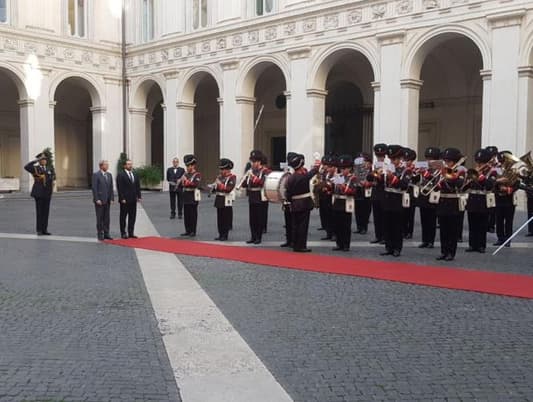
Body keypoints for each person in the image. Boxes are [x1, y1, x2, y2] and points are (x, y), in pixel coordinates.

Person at [285, 153, 320, 252]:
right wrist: (317, 164)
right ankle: (301, 246)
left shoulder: (291, 177)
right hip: (304, 203)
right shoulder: (302, 177)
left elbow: (288, 193)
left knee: (295, 225)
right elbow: (313, 172)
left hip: (294, 204)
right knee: (302, 226)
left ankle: (295, 244)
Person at [463, 148, 496, 253]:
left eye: (481, 162)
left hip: (483, 200)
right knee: (472, 224)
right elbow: (464, 187)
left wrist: (482, 178)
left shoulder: (492, 171)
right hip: (472, 200)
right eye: (477, 161)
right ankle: (472, 245)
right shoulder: (473, 170)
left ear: (486, 162)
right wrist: (468, 180)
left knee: (482, 225)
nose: (479, 164)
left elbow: (491, 185)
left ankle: (481, 245)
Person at [381, 145, 411, 258]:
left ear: (400, 158)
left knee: (397, 226)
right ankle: (389, 247)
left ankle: (397, 248)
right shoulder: (387, 167)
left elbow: (404, 185)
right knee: (387, 225)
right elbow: (380, 183)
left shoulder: (406, 170)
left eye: (394, 159)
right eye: (391, 159)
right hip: (387, 198)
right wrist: (379, 176)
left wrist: (392, 177)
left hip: (398, 199)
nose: (392, 161)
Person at [436, 148, 465, 261]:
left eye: (449, 161)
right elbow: (438, 186)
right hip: (443, 202)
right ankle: (443, 251)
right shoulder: (443, 170)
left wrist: (449, 177)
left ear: (455, 161)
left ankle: (451, 253)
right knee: (443, 230)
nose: (447, 163)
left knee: (452, 230)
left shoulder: (460, 171)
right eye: (446, 161)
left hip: (453, 203)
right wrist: (439, 180)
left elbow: (459, 184)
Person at [415, 147, 441, 249]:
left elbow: (436, 181)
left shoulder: (439, 169)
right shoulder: (424, 168)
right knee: (424, 219)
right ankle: (424, 240)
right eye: (428, 158)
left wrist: (426, 174)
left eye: (432, 158)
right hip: (423, 195)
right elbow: (416, 180)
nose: (429, 161)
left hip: (432, 195)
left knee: (431, 219)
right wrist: (416, 173)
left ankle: (431, 241)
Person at [241, 150, 269, 244]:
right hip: (252, 196)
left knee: (259, 218)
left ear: (259, 162)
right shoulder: (251, 171)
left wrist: (255, 179)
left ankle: (258, 237)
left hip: (260, 196)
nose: (252, 163)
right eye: (252, 161)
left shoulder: (265, 171)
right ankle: (253, 236)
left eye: (254, 161)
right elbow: (245, 184)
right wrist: (244, 180)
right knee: (252, 218)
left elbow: (264, 183)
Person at [24, 152, 56, 236]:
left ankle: (45, 229)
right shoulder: (35, 168)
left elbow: (52, 179)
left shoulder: (49, 169)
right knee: (39, 211)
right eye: (42, 159)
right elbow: (26, 167)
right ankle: (39, 230)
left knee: (46, 212)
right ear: (39, 161)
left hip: (47, 193)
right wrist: (36, 160)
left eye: (45, 159)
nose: (44, 161)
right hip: (39, 193)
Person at [331, 155, 357, 252]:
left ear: (349, 168)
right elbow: (334, 190)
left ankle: (346, 244)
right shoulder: (339, 177)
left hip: (346, 203)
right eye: (341, 168)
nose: (342, 171)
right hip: (337, 202)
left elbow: (353, 191)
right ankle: (339, 243)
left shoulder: (352, 178)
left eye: (344, 168)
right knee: (337, 225)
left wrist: (342, 186)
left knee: (346, 225)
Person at [493, 151, 519, 247]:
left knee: (508, 221)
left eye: (505, 161)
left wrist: (508, 189)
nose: (503, 163)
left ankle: (508, 239)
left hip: (509, 199)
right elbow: (491, 183)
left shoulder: (514, 171)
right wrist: (498, 184)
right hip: (498, 198)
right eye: (503, 161)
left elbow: (517, 184)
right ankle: (500, 238)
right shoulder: (496, 170)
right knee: (498, 220)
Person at [116, 159, 142, 239]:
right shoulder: (121, 175)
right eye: (128, 164)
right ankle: (123, 233)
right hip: (125, 200)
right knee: (123, 217)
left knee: (132, 216)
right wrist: (122, 198)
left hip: (133, 199)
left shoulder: (135, 174)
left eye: (131, 164)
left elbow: (137, 186)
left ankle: (131, 232)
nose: (130, 166)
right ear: (124, 166)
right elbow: (120, 188)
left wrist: (139, 196)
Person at [212, 158, 236, 241]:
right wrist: (214, 186)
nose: (221, 171)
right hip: (219, 199)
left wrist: (219, 185)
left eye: (223, 169)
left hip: (226, 199)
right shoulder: (220, 177)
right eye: (221, 169)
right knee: (220, 218)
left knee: (225, 218)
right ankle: (220, 234)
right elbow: (216, 189)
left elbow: (229, 188)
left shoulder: (232, 177)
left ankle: (225, 235)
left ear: (227, 169)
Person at [91, 160, 114, 241]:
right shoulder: (96, 175)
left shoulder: (109, 175)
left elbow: (111, 188)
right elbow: (94, 188)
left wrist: (111, 198)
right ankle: (100, 234)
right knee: (100, 218)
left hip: (107, 200)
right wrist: (97, 199)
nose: (107, 166)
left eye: (107, 165)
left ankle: (107, 233)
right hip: (100, 200)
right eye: (105, 165)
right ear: (101, 166)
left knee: (107, 218)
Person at [369, 143, 388, 244]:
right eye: (378, 156)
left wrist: (380, 175)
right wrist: (373, 173)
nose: (379, 158)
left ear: (384, 156)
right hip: (375, 193)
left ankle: (385, 237)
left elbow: (384, 181)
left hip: (384, 193)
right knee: (376, 216)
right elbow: (369, 178)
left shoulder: (388, 166)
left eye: (381, 156)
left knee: (384, 216)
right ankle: (378, 236)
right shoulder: (374, 166)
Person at [181, 154, 202, 237]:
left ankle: (193, 231)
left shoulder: (197, 175)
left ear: (193, 166)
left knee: (193, 214)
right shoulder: (186, 174)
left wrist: (186, 181)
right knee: (186, 214)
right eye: (187, 166)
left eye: (189, 166)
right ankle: (187, 230)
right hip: (186, 195)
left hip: (193, 196)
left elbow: (195, 184)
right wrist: (181, 182)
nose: (187, 168)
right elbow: (183, 185)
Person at [317, 155, 337, 241]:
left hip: (333, 198)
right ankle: (328, 233)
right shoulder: (326, 174)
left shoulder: (337, 175)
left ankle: (334, 234)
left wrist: (329, 187)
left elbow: (338, 187)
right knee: (327, 216)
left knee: (334, 217)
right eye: (328, 167)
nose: (328, 169)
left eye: (330, 167)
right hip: (326, 198)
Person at [353, 152, 372, 235]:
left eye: (364, 161)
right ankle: (359, 227)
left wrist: (367, 183)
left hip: (366, 191)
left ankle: (364, 227)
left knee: (365, 210)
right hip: (358, 190)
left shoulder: (371, 171)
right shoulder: (357, 169)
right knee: (358, 210)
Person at [401, 148, 417, 240]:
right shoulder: (402, 169)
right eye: (405, 160)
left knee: (411, 214)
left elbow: (417, 180)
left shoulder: (415, 169)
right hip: (403, 192)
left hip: (411, 193)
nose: (407, 162)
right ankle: (403, 230)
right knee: (403, 213)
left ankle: (409, 232)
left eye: (408, 160)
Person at [485, 145, 499, 233]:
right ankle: (485, 224)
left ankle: (491, 225)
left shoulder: (498, 165)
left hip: (495, 190)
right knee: (486, 208)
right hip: (486, 189)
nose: (492, 157)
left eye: (493, 155)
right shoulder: (485, 166)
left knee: (493, 209)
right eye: (490, 155)